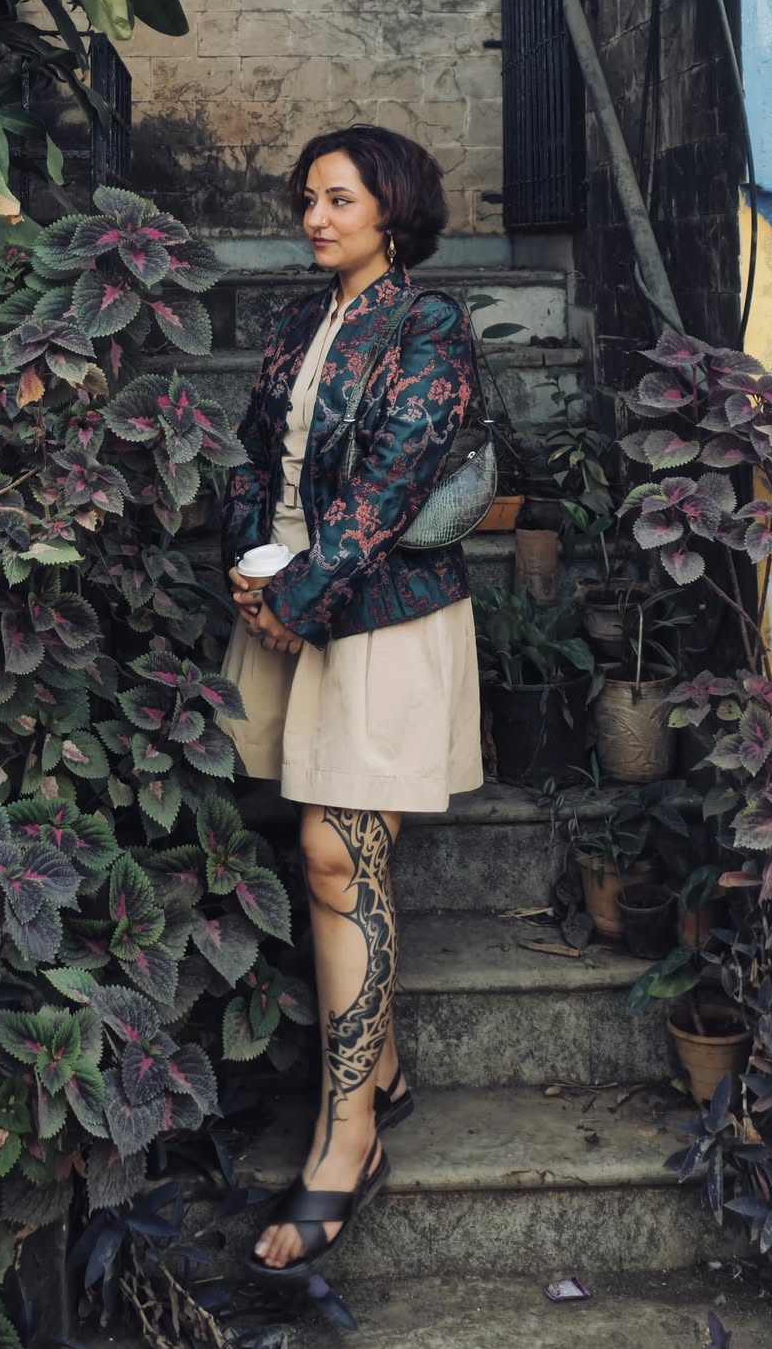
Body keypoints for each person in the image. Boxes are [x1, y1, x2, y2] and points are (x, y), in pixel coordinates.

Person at [220, 124, 484, 1281]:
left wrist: (301, 596)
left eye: (337, 199)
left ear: (392, 208)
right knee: (329, 854)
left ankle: (350, 1138)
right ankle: (379, 1070)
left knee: (337, 856)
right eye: (308, 201)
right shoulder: (296, 324)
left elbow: (392, 485)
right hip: (290, 604)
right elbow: (250, 457)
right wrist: (248, 564)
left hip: (378, 614)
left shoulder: (429, 327)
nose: (315, 219)